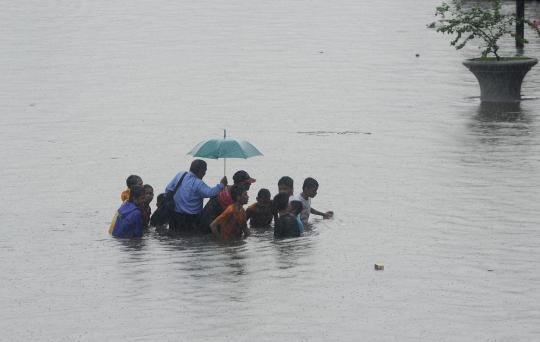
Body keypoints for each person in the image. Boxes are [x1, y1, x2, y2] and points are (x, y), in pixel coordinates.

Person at [165, 159, 227, 233]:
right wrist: (222, 184)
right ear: (200, 170)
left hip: (175, 216)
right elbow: (210, 193)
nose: (205, 173)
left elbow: (168, 189)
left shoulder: (181, 174)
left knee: (176, 237)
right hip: (191, 219)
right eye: (205, 170)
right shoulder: (198, 183)